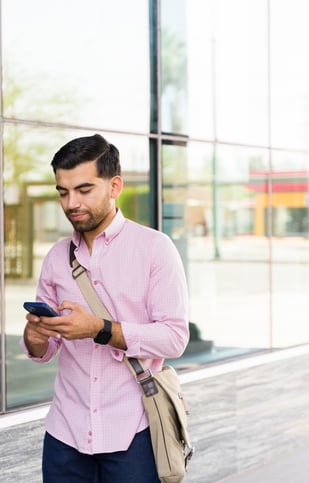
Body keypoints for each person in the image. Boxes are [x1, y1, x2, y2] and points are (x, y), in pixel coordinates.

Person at [20, 134, 190, 482]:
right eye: (63, 192)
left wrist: (99, 328)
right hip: (65, 433)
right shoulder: (56, 257)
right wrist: (35, 334)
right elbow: (44, 350)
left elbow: (174, 338)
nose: (71, 203)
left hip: (134, 431)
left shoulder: (154, 249)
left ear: (115, 186)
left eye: (84, 190)